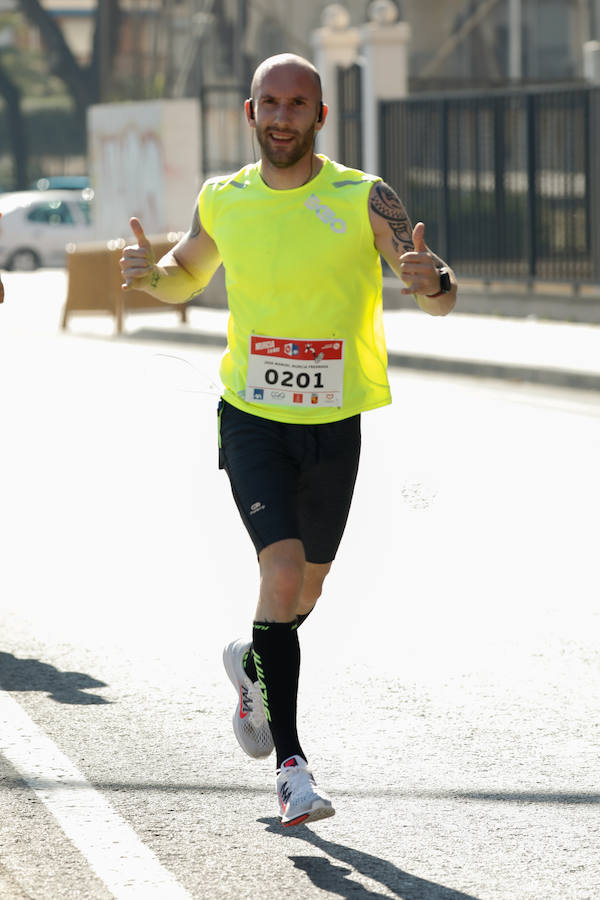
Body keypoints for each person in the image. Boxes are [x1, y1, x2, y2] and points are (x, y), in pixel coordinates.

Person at [119, 53, 457, 828]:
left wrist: (426, 279)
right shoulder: (224, 199)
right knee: (278, 571)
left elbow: (437, 294)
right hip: (252, 417)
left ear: (320, 117)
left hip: (335, 424)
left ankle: (251, 664)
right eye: (269, 103)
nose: (281, 116)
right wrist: (149, 275)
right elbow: (184, 274)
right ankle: (293, 770)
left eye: (297, 104)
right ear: (250, 113)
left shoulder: (366, 196)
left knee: (305, 592)